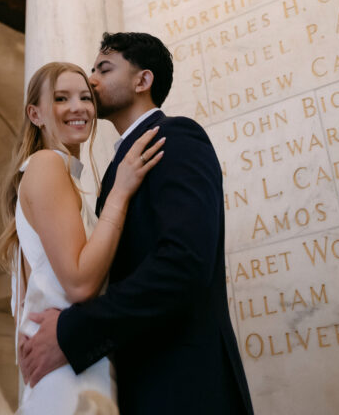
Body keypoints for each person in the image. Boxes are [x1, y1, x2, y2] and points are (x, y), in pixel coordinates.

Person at [19, 32, 254, 415]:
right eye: (91, 70)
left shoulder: (175, 137)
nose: (91, 80)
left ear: (143, 81)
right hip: (133, 387)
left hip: (184, 388)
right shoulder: (116, 172)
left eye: (104, 69)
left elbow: (184, 263)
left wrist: (72, 333)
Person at [0, 60, 164, 415]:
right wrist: (119, 194)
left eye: (85, 97)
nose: (78, 107)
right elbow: (79, 284)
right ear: (35, 113)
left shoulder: (63, 177)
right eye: (60, 98)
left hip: (75, 364)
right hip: (71, 376)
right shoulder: (46, 165)